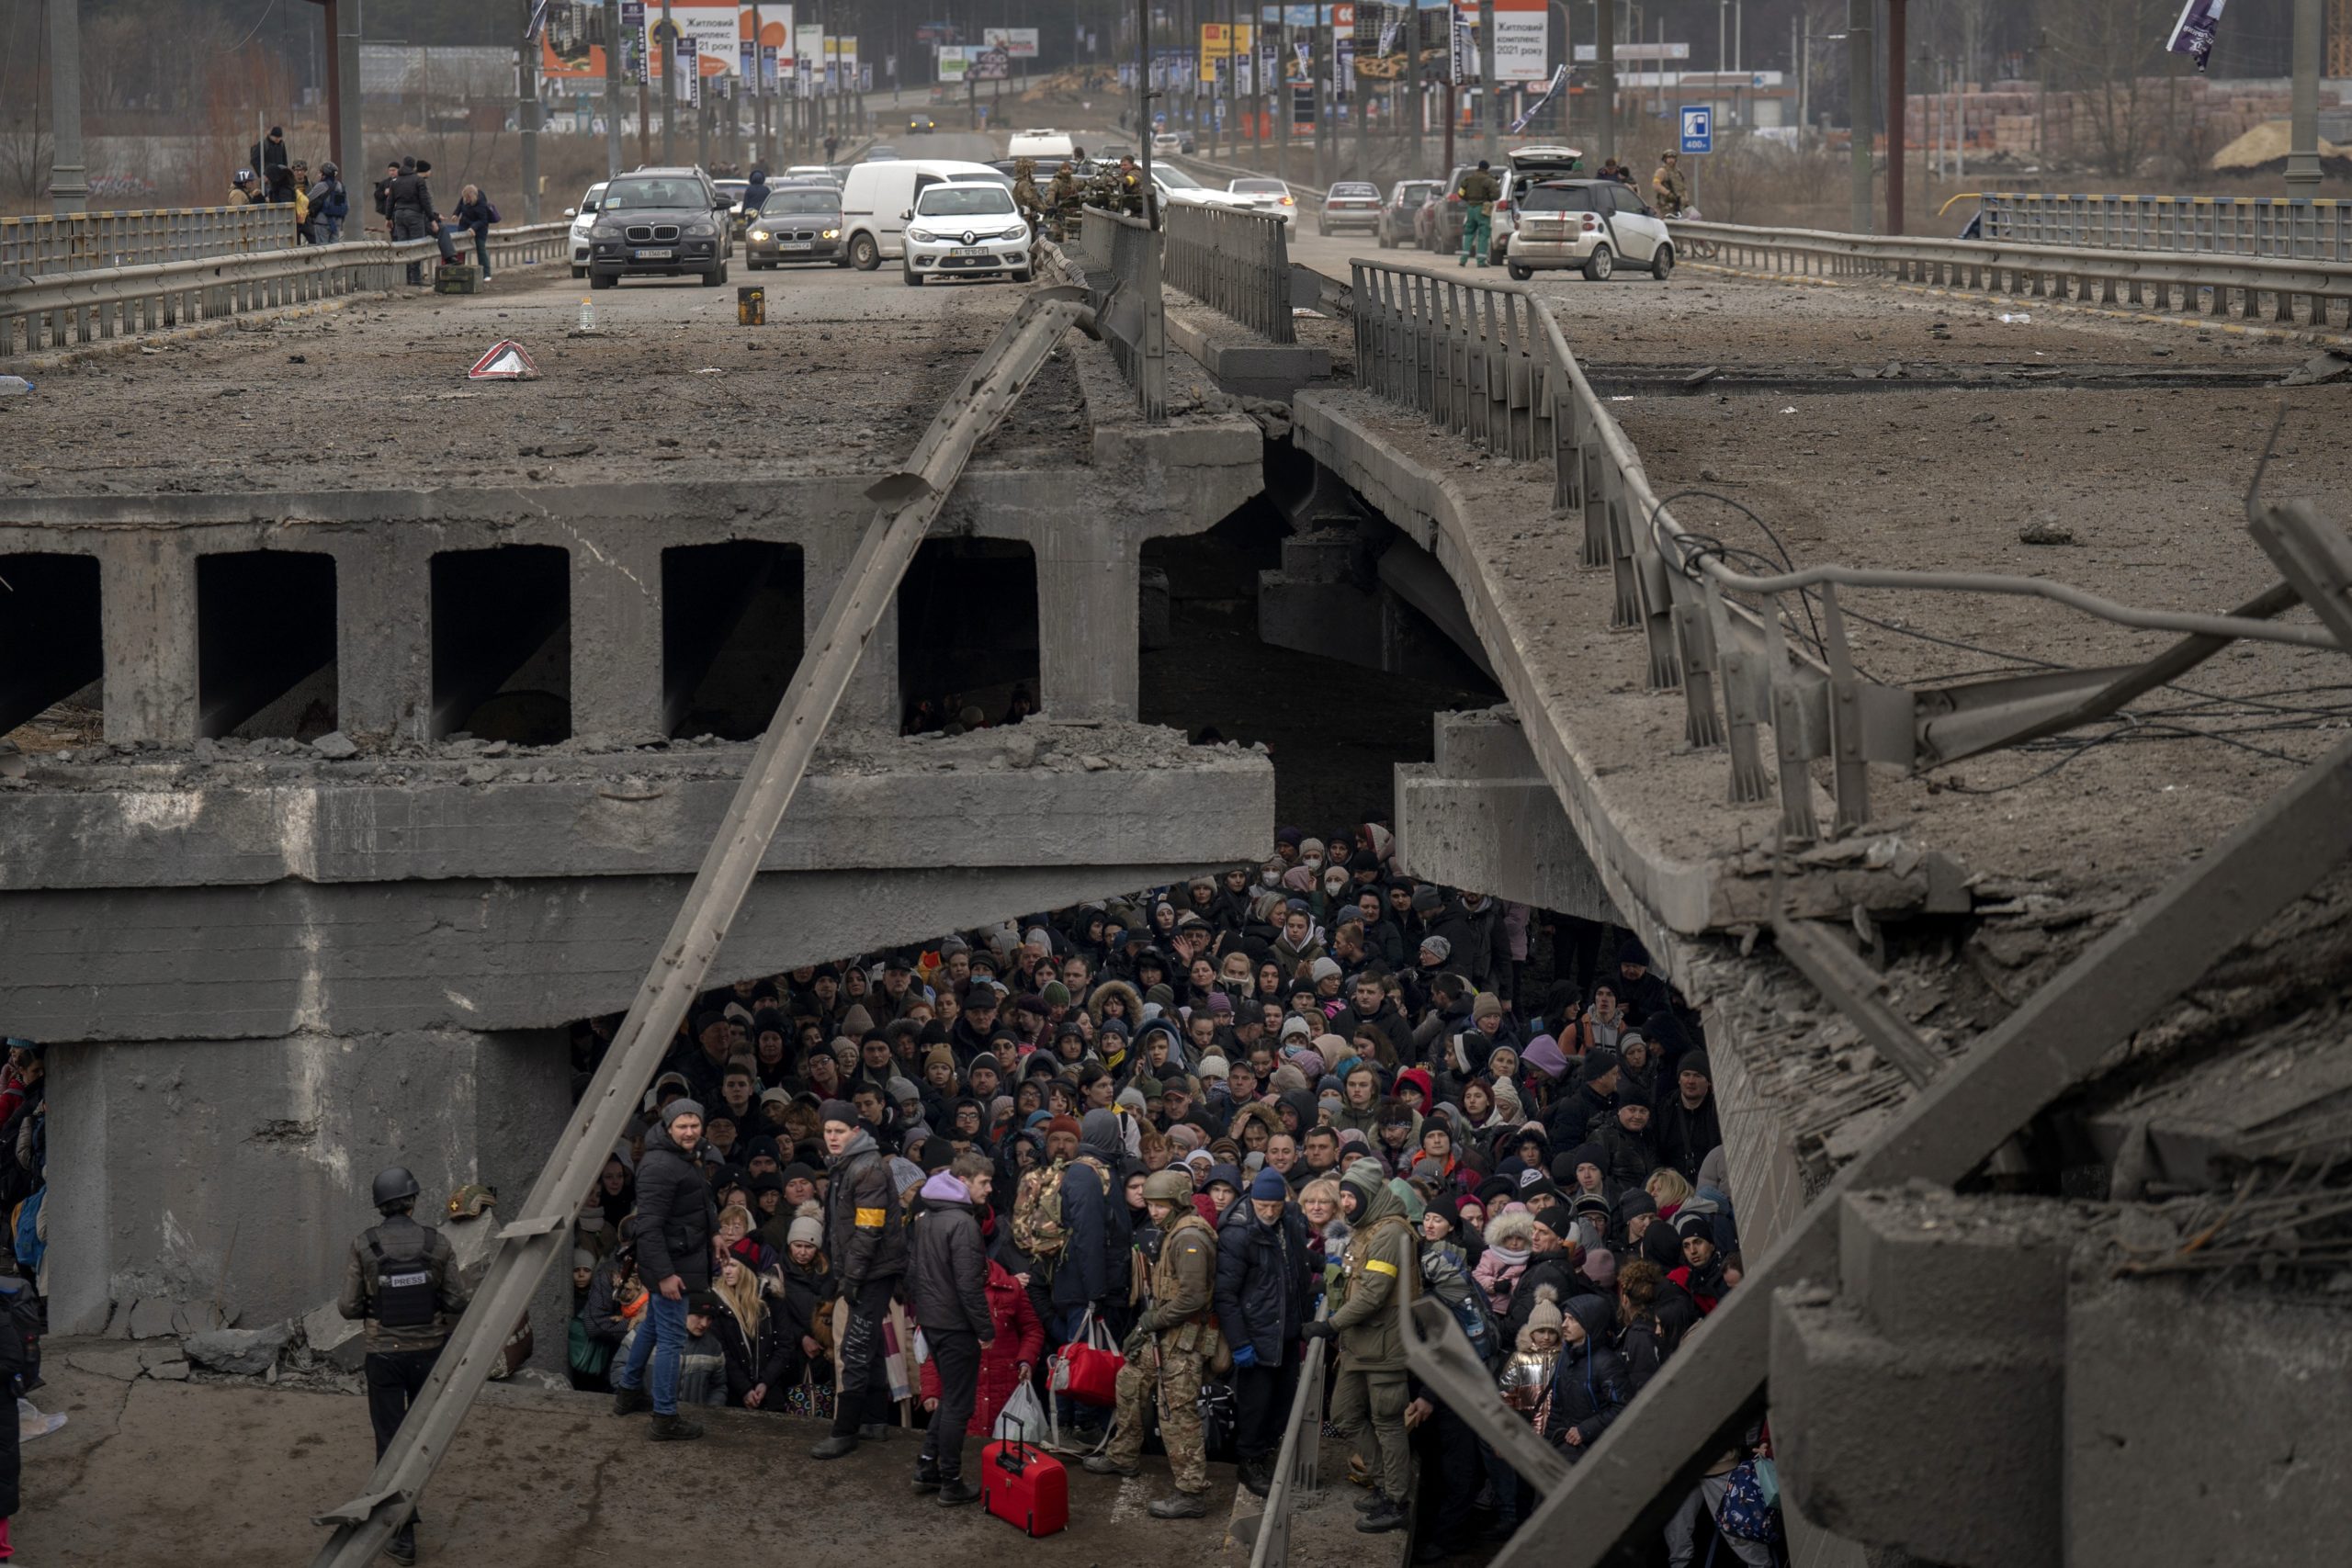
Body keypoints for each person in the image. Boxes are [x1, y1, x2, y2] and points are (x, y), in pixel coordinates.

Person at [337, 1167, 469, 1566]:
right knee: (422, 1439)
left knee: (390, 1441)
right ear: (412, 1201)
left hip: (384, 1356)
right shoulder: (437, 1242)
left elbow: (348, 1307)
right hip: (429, 1353)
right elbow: (457, 1300)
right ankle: (407, 1513)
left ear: (380, 1205)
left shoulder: (364, 1244)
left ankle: (402, 1535)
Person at [1084, 1168, 1220, 1518]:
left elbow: (1191, 1298)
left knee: (1176, 1413)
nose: (1154, 1212)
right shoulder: (1174, 1231)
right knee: (1130, 1380)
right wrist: (1148, 1329)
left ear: (1178, 1203)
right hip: (1164, 1333)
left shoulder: (1189, 1238)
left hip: (1182, 1339)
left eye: (1161, 1205)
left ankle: (1191, 1491)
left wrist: (1149, 1322)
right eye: (1151, 1205)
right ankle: (1123, 1454)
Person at [1302, 1159, 1416, 1532]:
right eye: (1344, 1196)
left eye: (1352, 1196)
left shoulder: (1391, 1233)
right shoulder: (1367, 1228)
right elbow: (1354, 1280)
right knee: (1345, 1414)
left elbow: (1372, 1295)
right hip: (1359, 1346)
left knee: (1388, 1422)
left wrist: (1329, 1326)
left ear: (1370, 1195)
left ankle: (1397, 1500)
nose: (1346, 1203)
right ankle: (1384, 1482)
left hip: (1384, 1347)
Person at [610, 1098, 718, 1441]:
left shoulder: (686, 1155)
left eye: (694, 1125)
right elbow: (649, 1228)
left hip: (680, 1258)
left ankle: (628, 1392)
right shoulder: (660, 1165)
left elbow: (701, 1201)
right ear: (668, 1128)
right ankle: (665, 1417)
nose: (689, 1131)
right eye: (682, 1126)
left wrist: (715, 1234)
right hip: (672, 1266)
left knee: (653, 1327)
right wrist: (664, 1276)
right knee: (672, 1339)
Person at [812, 1097, 907, 1459]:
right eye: (828, 1131)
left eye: (839, 1131)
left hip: (872, 1271)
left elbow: (869, 1229)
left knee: (854, 1346)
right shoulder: (848, 1164)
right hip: (866, 1269)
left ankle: (845, 1431)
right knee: (870, 1342)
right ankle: (874, 1421)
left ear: (855, 1131)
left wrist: (851, 1278)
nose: (833, 1137)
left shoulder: (866, 1168)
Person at [1216, 1166, 1310, 1496]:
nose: (1269, 1212)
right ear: (1252, 1200)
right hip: (1256, 1334)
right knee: (1255, 1405)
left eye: (1275, 1206)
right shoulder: (1238, 1233)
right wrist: (1240, 1342)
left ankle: (1267, 1452)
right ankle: (1249, 1461)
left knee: (1282, 1401)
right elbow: (1225, 1294)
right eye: (1263, 1206)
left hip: (1286, 1330)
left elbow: (1295, 1265)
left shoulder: (1290, 1222)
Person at [909, 1153, 996, 1503]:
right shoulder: (963, 1224)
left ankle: (927, 1467)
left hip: (932, 1320)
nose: (989, 1189)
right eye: (984, 1182)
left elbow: (914, 1273)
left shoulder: (927, 1216)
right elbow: (969, 1286)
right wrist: (985, 1330)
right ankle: (951, 1482)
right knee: (959, 1406)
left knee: (950, 1399)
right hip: (956, 1325)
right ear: (963, 1182)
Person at [383, 157, 435, 285]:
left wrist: (388, 218)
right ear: (414, 167)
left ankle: (406, 278)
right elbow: (425, 201)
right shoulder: (418, 180)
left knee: (403, 246)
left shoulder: (395, 181)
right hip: (415, 215)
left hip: (399, 215)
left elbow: (390, 201)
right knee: (416, 245)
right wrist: (432, 219)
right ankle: (416, 278)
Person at [1455, 160, 1500, 269]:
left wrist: (1468, 199)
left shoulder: (1468, 179)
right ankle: (1481, 261)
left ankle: (1463, 260)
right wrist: (1489, 197)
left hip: (1470, 208)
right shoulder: (1489, 180)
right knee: (1483, 233)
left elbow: (1460, 193)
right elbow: (1496, 195)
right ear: (1487, 168)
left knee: (1469, 232)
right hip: (1483, 208)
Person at [452, 185, 497, 278]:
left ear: (473, 197)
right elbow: (460, 205)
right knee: (460, 248)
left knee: (481, 249)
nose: (466, 200)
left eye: (468, 198)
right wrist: (456, 214)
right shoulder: (464, 197)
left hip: (480, 228)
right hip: (464, 224)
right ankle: (458, 271)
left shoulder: (481, 203)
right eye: (465, 198)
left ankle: (486, 274)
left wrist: (473, 228)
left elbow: (483, 220)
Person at [306, 162, 347, 244]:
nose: (319, 175)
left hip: (322, 223)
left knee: (323, 248)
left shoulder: (321, 185)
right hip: (337, 223)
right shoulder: (341, 186)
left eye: (321, 172)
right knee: (334, 247)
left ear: (325, 174)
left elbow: (307, 199)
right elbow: (347, 205)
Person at [1651, 150, 1691, 218]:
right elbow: (1656, 185)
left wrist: (1686, 200)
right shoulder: (1661, 171)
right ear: (1665, 159)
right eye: (1669, 158)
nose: (1671, 160)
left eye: (1673, 158)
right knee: (1668, 222)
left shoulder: (1678, 172)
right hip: (1666, 206)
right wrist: (1669, 194)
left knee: (1695, 218)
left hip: (1679, 205)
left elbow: (1682, 188)